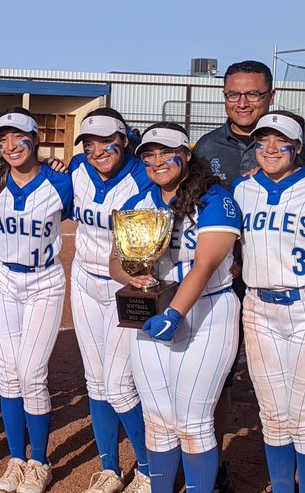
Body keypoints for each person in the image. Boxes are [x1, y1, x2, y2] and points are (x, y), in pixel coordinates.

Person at [192, 59, 305, 492]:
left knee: (302, 407)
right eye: (233, 94)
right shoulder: (208, 147)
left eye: (253, 94)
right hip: (226, 285)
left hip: (294, 287)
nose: (242, 102)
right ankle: (211, 466)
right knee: (218, 378)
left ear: (270, 95)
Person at [111, 123, 242, 493]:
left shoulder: (215, 198)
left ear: (186, 154)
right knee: (158, 420)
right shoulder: (140, 202)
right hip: (155, 309)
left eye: (165, 152)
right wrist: (132, 275)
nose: (157, 161)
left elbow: (206, 264)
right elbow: (115, 261)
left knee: (194, 422)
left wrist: (175, 314)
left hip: (207, 312)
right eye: (148, 155)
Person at [231, 111, 305, 493]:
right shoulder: (241, 189)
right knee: (273, 416)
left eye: (282, 142)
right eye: (263, 141)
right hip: (259, 309)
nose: (271, 149)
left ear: (297, 147)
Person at [0, 109, 73, 493]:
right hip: (2, 276)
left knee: (32, 373)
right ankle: (17, 459)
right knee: (7, 372)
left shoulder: (61, 183)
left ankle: (40, 461)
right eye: (2, 139)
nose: (9, 145)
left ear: (34, 139)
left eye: (17, 136)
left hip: (44, 280)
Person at [66, 109, 153, 493]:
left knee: (120, 385)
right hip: (84, 279)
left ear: (125, 140)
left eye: (105, 141)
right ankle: (110, 469)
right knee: (96, 382)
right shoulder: (76, 168)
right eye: (89, 143)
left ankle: (151, 469)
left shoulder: (142, 178)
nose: (97, 150)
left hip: (126, 288)